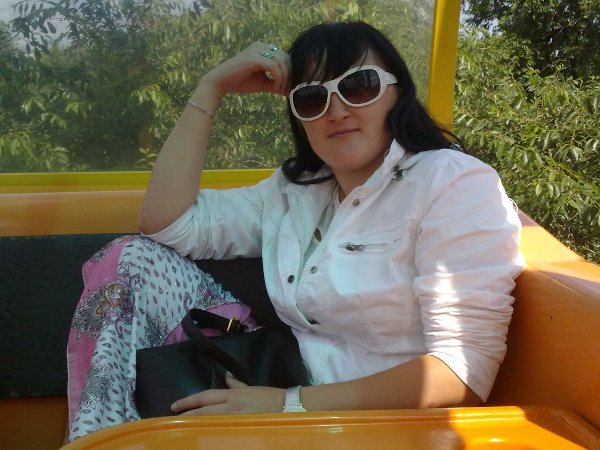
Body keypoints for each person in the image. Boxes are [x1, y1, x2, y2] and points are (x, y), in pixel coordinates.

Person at [66, 21, 524, 441]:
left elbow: (462, 371)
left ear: (398, 93)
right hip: (283, 384)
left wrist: (287, 406)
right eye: (311, 98)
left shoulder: (451, 183)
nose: (336, 110)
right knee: (131, 258)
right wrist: (211, 88)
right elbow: (166, 222)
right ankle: (98, 438)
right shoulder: (296, 190)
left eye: (359, 86)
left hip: (380, 424)